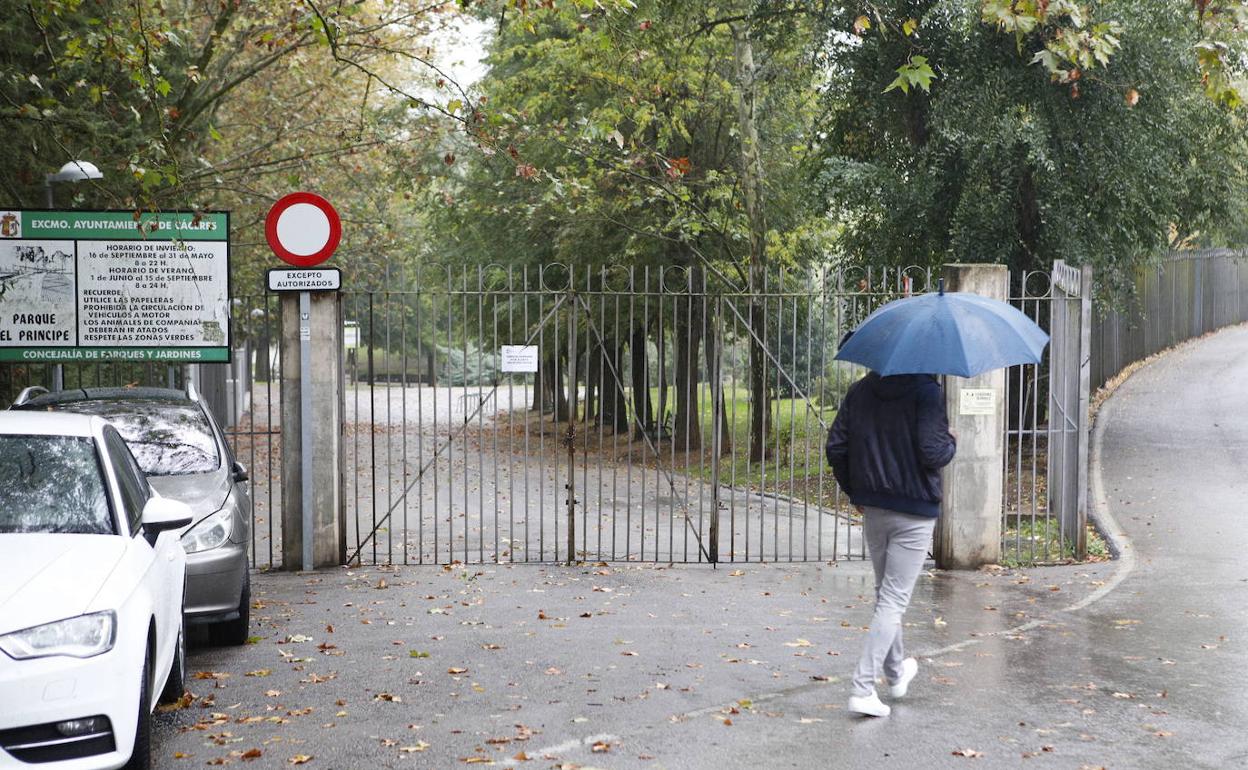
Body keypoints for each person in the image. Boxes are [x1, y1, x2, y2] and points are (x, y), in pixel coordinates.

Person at [825, 364, 956, 717]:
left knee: (886, 596)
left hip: (875, 508)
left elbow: (836, 448)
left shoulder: (860, 391)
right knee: (893, 601)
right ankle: (862, 688)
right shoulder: (927, 391)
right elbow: (934, 453)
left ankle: (896, 673)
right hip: (913, 512)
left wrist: (858, 491)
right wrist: (952, 440)